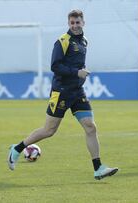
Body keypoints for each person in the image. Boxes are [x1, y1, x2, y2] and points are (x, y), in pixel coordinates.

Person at [7, 9, 118, 180]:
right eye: (72, 23)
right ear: (69, 24)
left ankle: (98, 168)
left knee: (90, 126)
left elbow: (77, 65)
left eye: (77, 22)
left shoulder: (85, 41)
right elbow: (55, 66)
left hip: (77, 92)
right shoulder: (62, 41)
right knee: (49, 130)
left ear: (83, 23)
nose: (75, 25)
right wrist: (77, 73)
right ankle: (18, 148)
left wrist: (80, 76)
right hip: (61, 92)